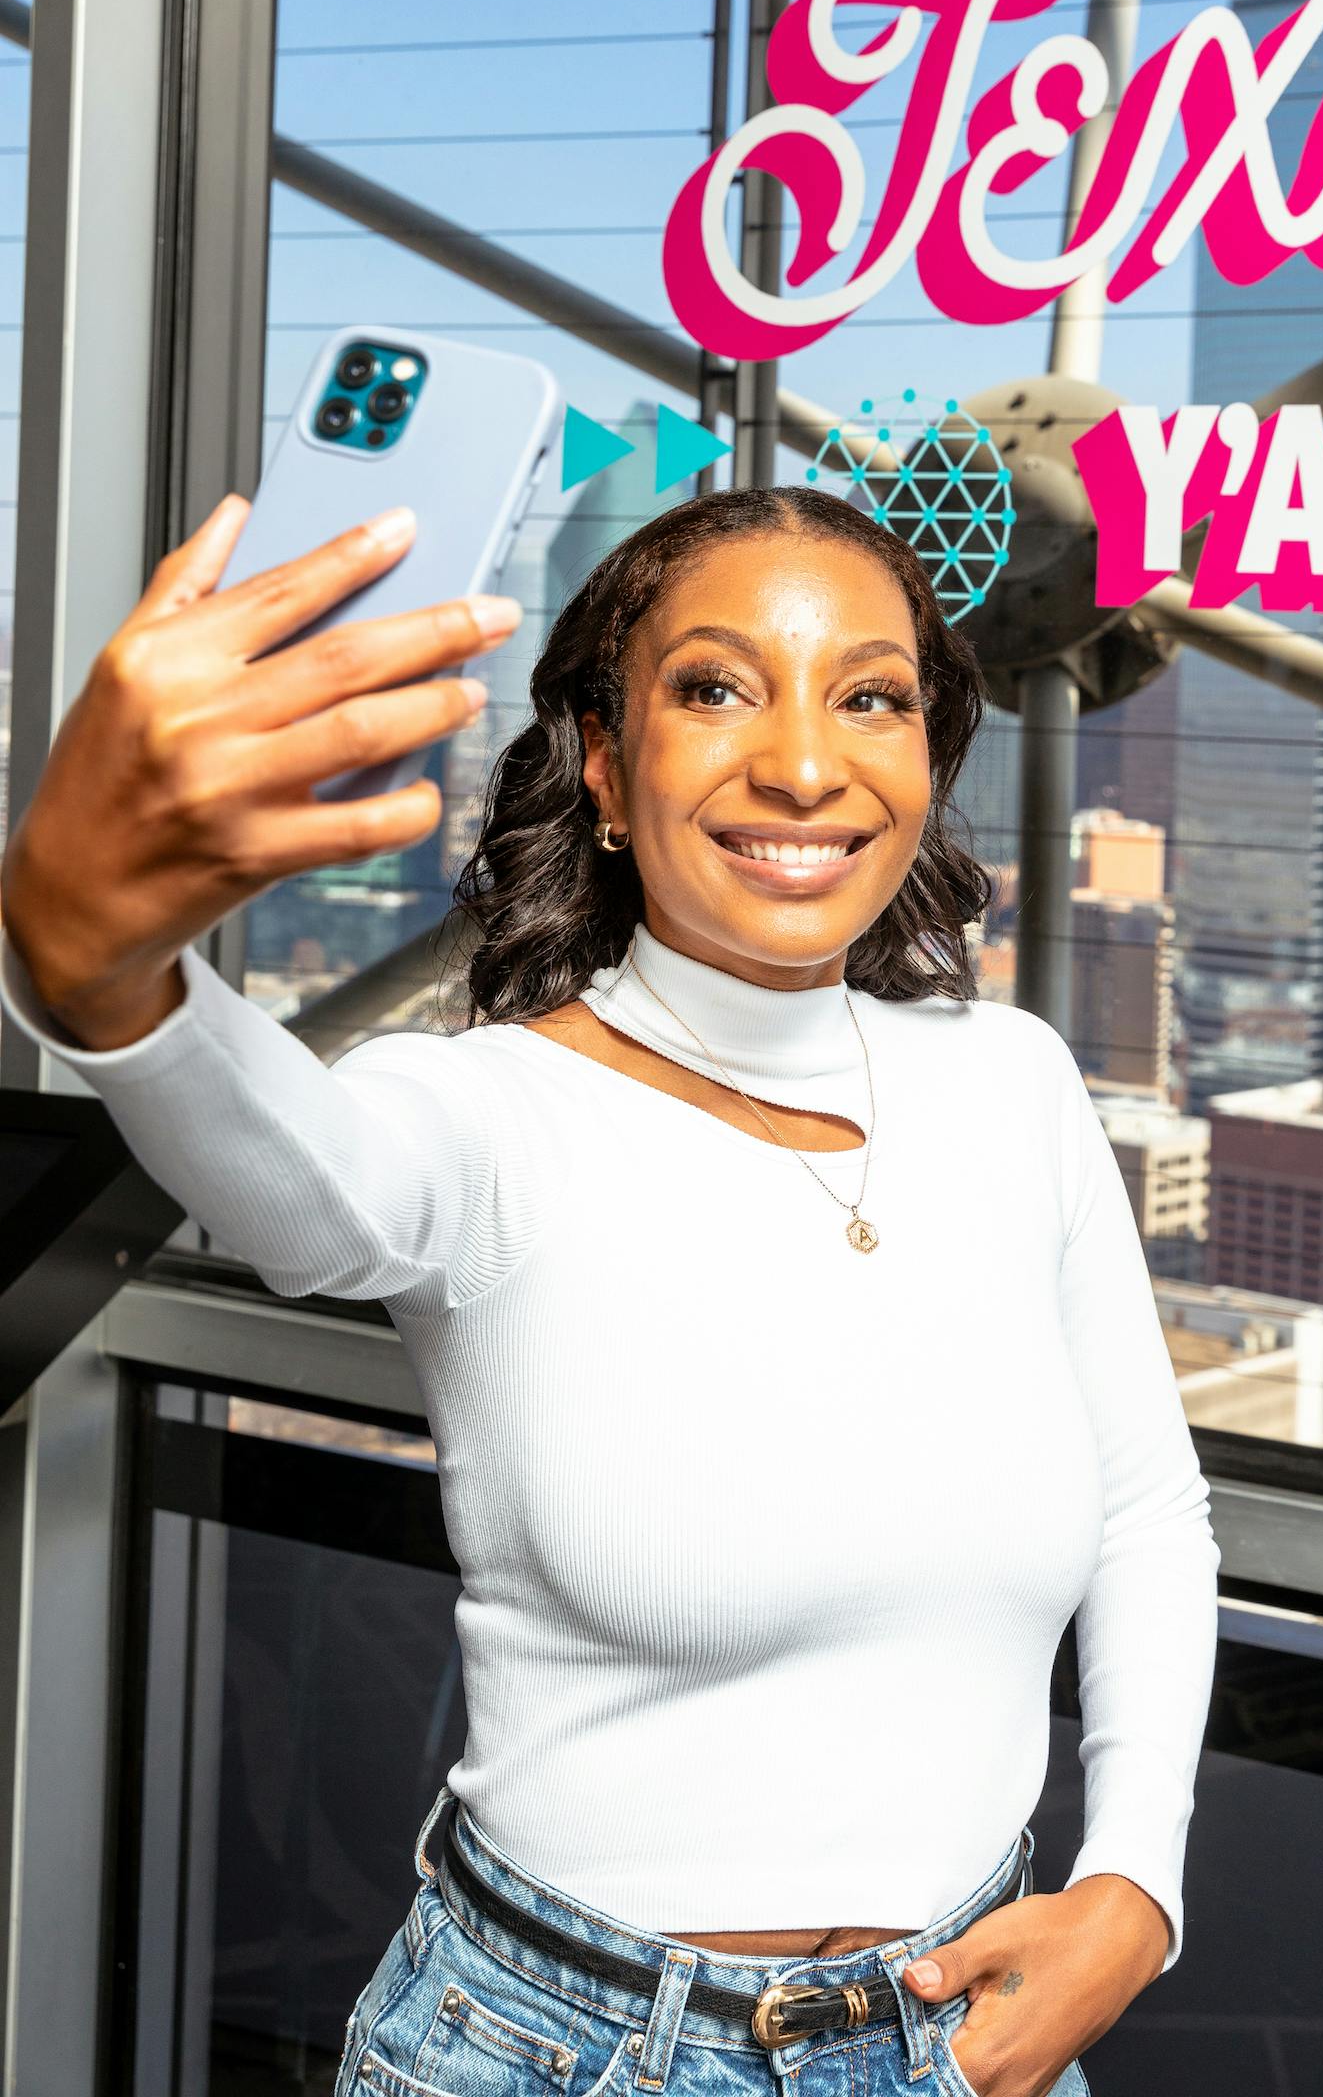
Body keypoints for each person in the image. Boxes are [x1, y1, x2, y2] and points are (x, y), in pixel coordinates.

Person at [0, 481, 1220, 2097]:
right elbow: (291, 1175)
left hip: (980, 2034)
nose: (801, 760)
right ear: (603, 765)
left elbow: (1147, 1514)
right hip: (564, 2051)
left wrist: (1135, 1886)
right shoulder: (487, 1115)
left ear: (928, 756)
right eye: (715, 689)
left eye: (871, 696)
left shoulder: (1015, 1082)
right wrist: (84, 963)